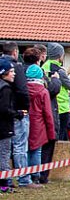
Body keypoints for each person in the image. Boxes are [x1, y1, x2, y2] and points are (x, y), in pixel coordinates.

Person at [22, 65, 54, 188]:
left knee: (24, 149)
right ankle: (35, 175)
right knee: (36, 150)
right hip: (39, 123)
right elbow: (47, 113)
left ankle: (24, 174)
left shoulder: (23, 89)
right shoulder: (43, 92)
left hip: (25, 120)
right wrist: (51, 132)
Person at [2, 42, 31, 178]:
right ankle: (22, 178)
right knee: (18, 147)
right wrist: (23, 110)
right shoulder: (15, 69)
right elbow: (22, 90)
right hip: (15, 113)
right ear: (15, 52)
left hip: (8, 113)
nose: (13, 74)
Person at [0, 58, 17, 192]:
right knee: (4, 155)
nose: (14, 74)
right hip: (4, 128)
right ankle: (5, 185)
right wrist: (17, 113)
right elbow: (4, 109)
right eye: (11, 71)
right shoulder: (5, 88)